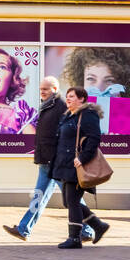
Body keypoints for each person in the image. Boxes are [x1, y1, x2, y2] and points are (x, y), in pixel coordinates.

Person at [4, 76, 94, 242]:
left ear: (54, 89)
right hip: (46, 161)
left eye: (45, 89)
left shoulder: (60, 106)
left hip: (56, 162)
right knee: (40, 195)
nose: (42, 92)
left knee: (71, 198)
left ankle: (89, 229)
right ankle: (24, 229)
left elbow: (68, 133)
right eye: (40, 89)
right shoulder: (48, 105)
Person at [50, 86, 111, 249]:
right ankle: (98, 225)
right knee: (69, 201)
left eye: (72, 96)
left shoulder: (88, 115)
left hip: (77, 166)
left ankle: (75, 238)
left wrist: (82, 158)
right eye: (67, 96)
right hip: (65, 164)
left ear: (82, 99)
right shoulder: (68, 116)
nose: (68, 99)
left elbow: (94, 138)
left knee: (72, 201)